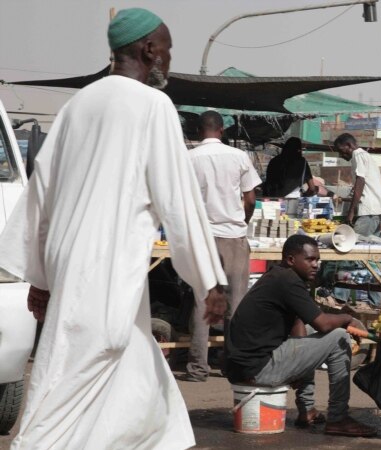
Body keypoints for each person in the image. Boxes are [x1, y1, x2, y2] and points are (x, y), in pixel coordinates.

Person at [0, 9, 228, 449]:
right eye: (167, 48)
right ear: (148, 50)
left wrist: (41, 277)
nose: (168, 57)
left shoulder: (77, 104)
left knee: (143, 387)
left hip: (78, 266)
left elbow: (41, 194)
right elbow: (178, 198)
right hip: (104, 269)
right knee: (70, 382)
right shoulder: (152, 105)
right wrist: (209, 280)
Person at [225, 235, 377, 437]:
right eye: (310, 259)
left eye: (317, 260)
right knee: (338, 336)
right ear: (290, 260)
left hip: (246, 366)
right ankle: (338, 418)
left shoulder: (278, 276)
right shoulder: (287, 281)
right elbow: (323, 323)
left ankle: (307, 410)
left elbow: (299, 327)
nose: (316, 265)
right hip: (257, 368)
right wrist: (346, 317)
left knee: (309, 336)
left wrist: (299, 369)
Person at [184, 110, 262, 382]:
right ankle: (232, 364)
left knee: (201, 301)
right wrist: (243, 222)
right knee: (235, 304)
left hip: (202, 237)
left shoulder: (188, 158)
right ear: (221, 130)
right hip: (233, 237)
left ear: (198, 131)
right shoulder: (239, 157)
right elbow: (250, 198)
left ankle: (197, 368)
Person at [333, 133, 381, 236]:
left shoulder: (358, 155)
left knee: (358, 243)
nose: (341, 155)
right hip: (376, 210)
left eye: (341, 151)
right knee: (369, 246)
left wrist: (351, 212)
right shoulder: (364, 155)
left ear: (349, 145)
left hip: (369, 211)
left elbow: (361, 181)